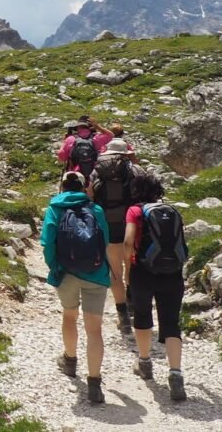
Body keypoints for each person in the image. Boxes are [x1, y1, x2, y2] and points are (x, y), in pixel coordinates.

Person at [42, 170, 111, 405]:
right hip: (96, 274)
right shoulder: (96, 210)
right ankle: (94, 384)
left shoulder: (54, 208)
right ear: (85, 186)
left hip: (66, 273)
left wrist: (55, 267)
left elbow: (47, 243)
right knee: (95, 330)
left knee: (69, 316)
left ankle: (70, 361)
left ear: (61, 186)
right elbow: (105, 241)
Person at [124, 173, 190, 402]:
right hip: (173, 273)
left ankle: (145, 362)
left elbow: (127, 241)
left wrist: (127, 270)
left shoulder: (135, 210)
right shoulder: (171, 211)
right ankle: (175, 373)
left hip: (142, 271)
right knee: (171, 322)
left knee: (142, 315)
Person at [90, 137, 143, 334]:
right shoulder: (135, 170)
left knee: (114, 272)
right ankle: (133, 305)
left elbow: (90, 195)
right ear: (126, 153)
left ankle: (123, 318)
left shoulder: (99, 170)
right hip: (133, 224)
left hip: (109, 224)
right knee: (132, 264)